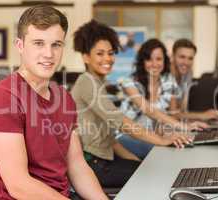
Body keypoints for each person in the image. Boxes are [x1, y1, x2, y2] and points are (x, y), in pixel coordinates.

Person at [0, 5, 108, 200]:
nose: (48, 54)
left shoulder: (63, 98)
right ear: (20, 45)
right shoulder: (2, 99)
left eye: (56, 44)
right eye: (38, 43)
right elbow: (19, 186)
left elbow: (77, 166)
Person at [71, 20, 192, 188]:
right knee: (158, 177)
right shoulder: (86, 82)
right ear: (86, 56)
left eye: (111, 53)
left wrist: (138, 162)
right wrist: (161, 140)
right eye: (100, 53)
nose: (108, 58)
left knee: (152, 169)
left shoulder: (97, 82)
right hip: (93, 165)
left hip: (104, 160)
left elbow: (111, 141)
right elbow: (121, 122)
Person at [118, 38, 207, 159]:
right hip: (126, 136)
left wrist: (183, 129)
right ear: (142, 61)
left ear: (165, 60)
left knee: (182, 144)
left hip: (152, 135)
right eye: (149, 59)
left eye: (159, 59)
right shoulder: (129, 83)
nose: (154, 64)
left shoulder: (168, 81)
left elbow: (172, 114)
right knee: (167, 150)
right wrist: (183, 127)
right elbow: (149, 111)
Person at [170, 38, 218, 120]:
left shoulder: (187, 73)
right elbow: (172, 114)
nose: (186, 62)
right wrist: (203, 115)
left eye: (190, 58)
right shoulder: (167, 76)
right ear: (172, 56)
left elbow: (182, 110)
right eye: (182, 57)